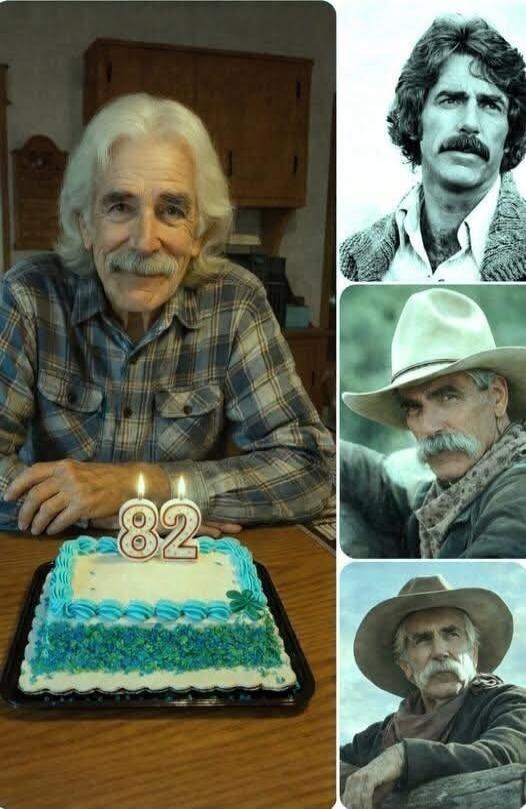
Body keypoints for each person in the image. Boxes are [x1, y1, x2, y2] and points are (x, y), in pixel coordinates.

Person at [0, 93, 333, 537]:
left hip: (190, 576)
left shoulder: (235, 302)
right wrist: (93, 511)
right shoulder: (28, 296)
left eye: (172, 210)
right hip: (54, 570)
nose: (144, 241)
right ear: (84, 224)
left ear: (199, 232)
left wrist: (152, 490)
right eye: (120, 207)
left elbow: (311, 467)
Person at [340, 15, 526, 283]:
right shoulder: (354, 260)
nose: (470, 123)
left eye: (490, 105)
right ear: (416, 119)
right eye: (451, 100)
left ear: (510, 134)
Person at [341, 288, 526, 558]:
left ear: (497, 397)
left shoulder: (517, 493)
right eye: (413, 407)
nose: (428, 427)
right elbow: (376, 477)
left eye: (448, 396)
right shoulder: (443, 496)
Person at [340, 575, 526, 809]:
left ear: (474, 653)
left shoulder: (509, 703)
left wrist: (404, 758)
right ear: (406, 667)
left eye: (451, 634)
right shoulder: (380, 734)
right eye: (422, 640)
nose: (440, 651)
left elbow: (503, 752)